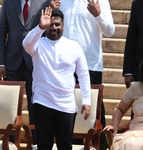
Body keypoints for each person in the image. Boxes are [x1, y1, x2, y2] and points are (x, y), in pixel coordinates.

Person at [22, 7, 91, 149]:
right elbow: (26, 44)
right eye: (50, 25)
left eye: (57, 24)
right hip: (43, 103)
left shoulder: (74, 46)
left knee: (65, 146)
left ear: (63, 26)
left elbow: (83, 74)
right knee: (44, 145)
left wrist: (86, 100)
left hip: (66, 105)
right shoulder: (38, 44)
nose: (54, 28)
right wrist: (40, 27)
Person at [50, 0, 115, 149]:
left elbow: (110, 31)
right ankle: (73, 144)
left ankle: (102, 145)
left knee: (93, 106)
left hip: (90, 63)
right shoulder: (60, 1)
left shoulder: (99, 1)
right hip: (64, 63)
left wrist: (98, 14)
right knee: (67, 105)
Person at [0, 0, 51, 143]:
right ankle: (9, 141)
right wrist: (1, 62)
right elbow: (2, 32)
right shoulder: (9, 2)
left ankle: (36, 141)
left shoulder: (45, 2)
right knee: (9, 104)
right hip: (11, 62)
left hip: (34, 62)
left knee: (36, 104)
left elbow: (48, 33)